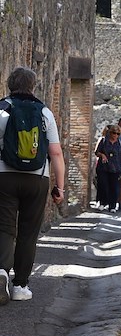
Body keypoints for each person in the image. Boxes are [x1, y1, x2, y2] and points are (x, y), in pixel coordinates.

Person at [0, 66, 65, 304]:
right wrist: (60, 187)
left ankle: (2, 272)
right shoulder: (44, 112)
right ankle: (20, 286)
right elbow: (56, 153)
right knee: (28, 233)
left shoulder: (2, 109)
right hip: (38, 179)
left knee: (5, 228)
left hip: (4, 176)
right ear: (33, 86)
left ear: (9, 84)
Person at [95, 124, 121, 213]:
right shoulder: (103, 141)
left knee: (114, 187)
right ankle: (102, 202)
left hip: (116, 168)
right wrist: (102, 155)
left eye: (118, 134)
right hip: (103, 167)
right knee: (103, 185)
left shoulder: (120, 143)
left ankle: (112, 205)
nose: (115, 135)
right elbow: (97, 152)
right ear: (110, 133)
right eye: (114, 133)